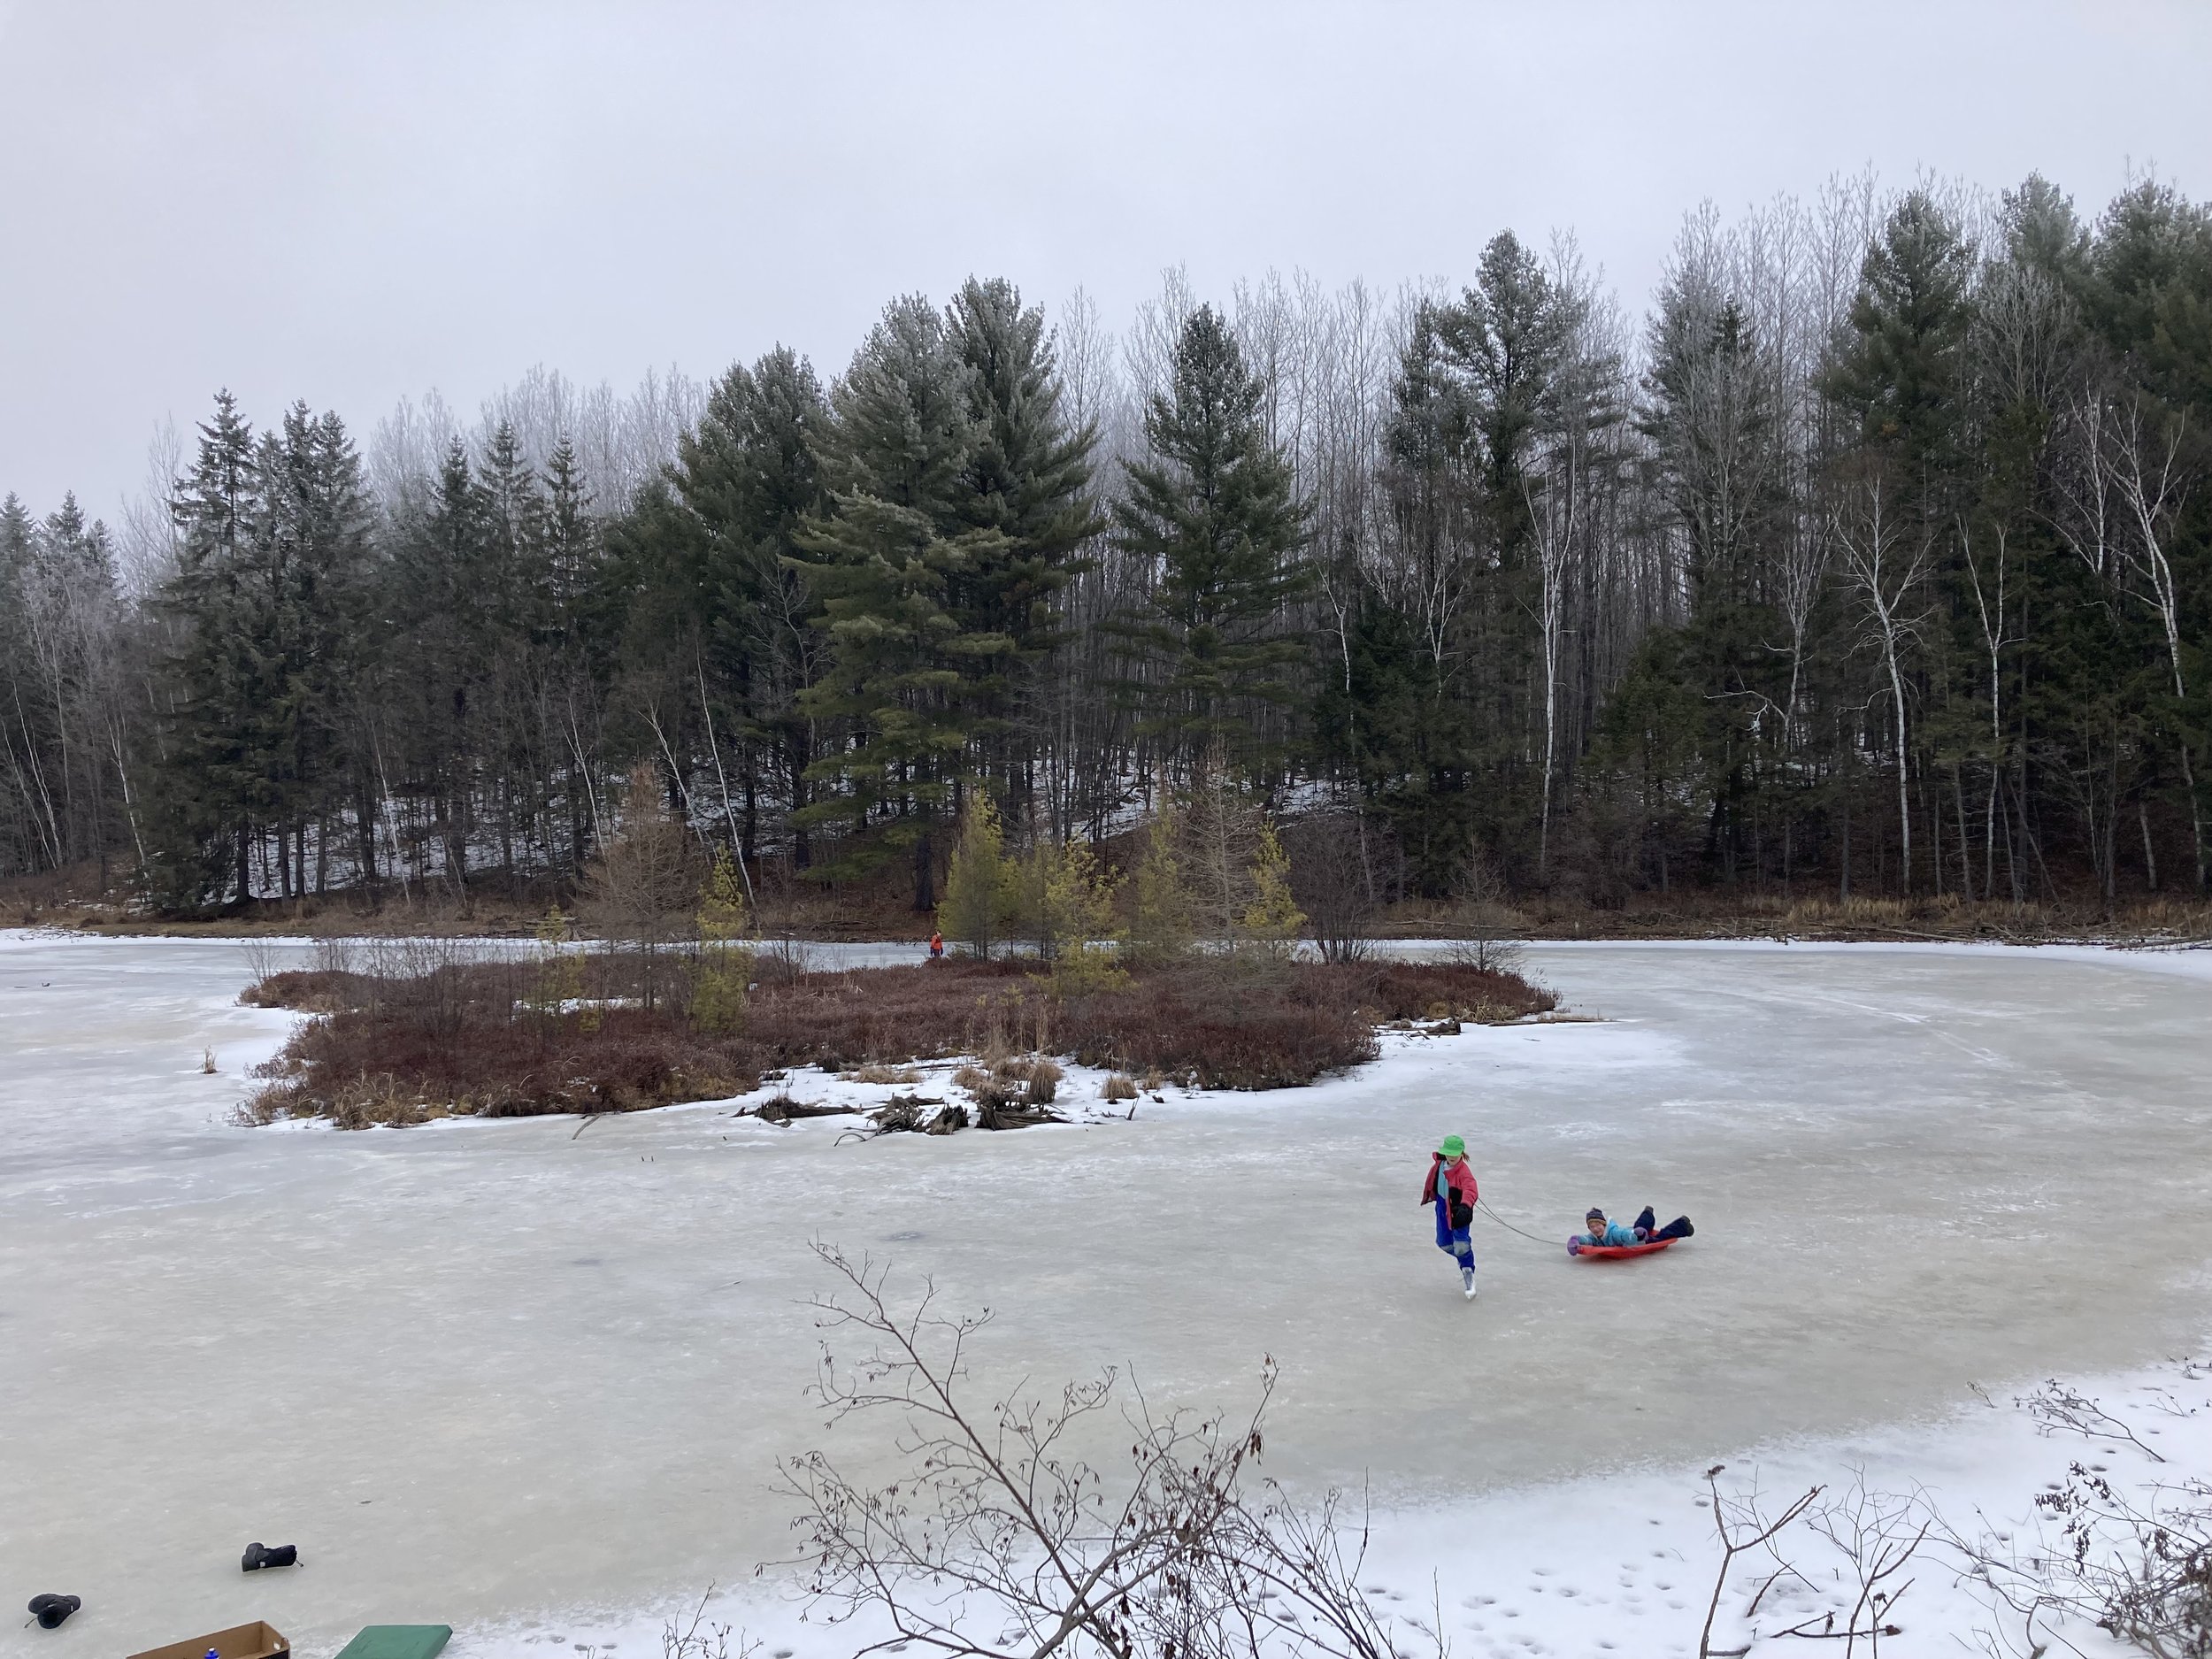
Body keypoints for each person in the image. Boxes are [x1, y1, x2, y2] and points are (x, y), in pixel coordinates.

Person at [1420, 1135, 1480, 1299]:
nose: (1452, 1157)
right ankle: (1464, 1259)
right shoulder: (1440, 1164)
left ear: (1462, 1153)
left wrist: (1465, 1205)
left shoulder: (1463, 1171)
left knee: (1461, 1245)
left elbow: (1471, 1189)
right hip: (1442, 1206)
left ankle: (1468, 1271)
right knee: (1444, 1243)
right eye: (1449, 1153)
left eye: (1455, 1153)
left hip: (1458, 1211)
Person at [1572, 1204, 1694, 1250]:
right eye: (1592, 1227)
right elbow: (1588, 1240)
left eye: (1598, 1225)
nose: (1595, 1229)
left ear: (1604, 1225)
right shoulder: (1595, 1237)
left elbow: (1623, 1235)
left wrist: (1633, 1235)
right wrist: (1576, 1240)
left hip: (1638, 1240)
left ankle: (1682, 1225)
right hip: (1635, 1233)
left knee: (1660, 1237)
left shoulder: (1613, 1233)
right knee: (1640, 1226)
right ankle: (1648, 1214)